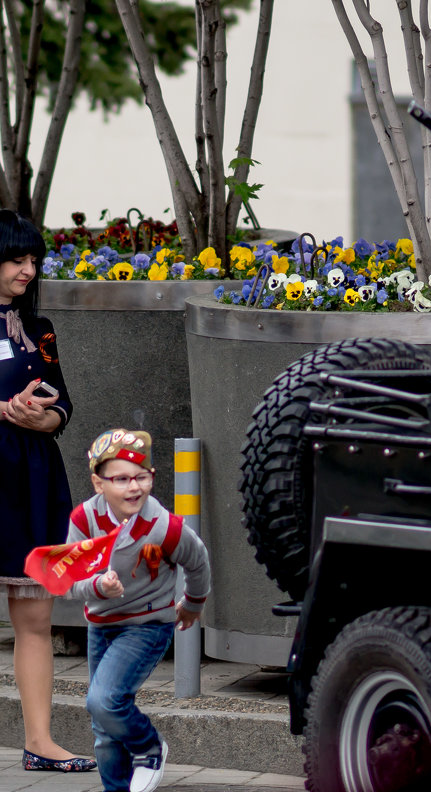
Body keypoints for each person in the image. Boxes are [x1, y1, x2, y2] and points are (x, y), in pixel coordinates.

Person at [0, 209, 96, 773]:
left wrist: (45, 418)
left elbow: (61, 402)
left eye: (33, 260)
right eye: (16, 259)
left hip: (32, 473)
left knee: (35, 615)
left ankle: (40, 743)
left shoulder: (40, 331)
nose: (28, 270)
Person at [64, 429, 211, 792]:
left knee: (104, 701)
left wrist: (193, 603)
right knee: (103, 723)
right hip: (101, 625)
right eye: (121, 479)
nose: (134, 487)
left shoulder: (163, 526)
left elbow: (198, 562)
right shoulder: (84, 520)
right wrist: (98, 586)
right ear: (98, 483)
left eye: (141, 477)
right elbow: (69, 580)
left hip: (147, 625)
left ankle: (149, 746)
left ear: (152, 477)